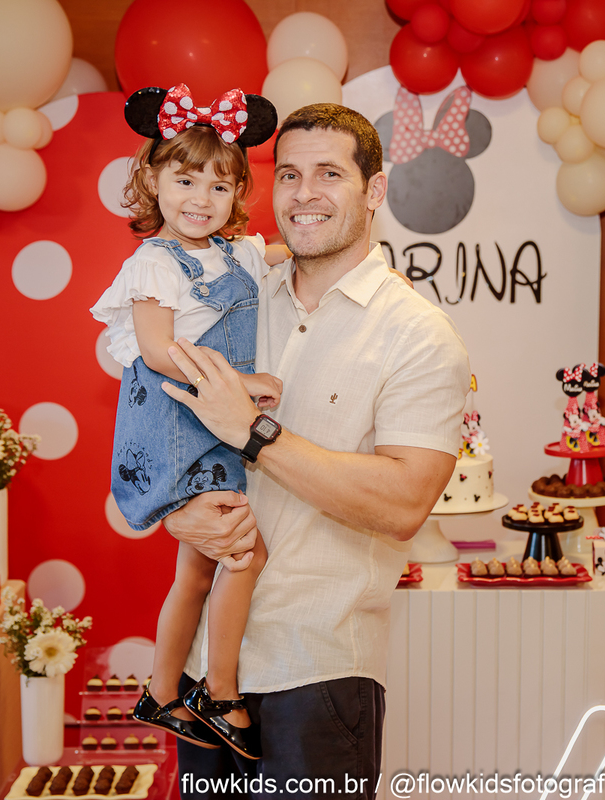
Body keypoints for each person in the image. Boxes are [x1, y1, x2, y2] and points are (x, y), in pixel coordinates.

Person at [159, 104, 471, 797]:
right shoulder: (235, 297)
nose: (304, 194)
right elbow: (164, 422)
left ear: (375, 190)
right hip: (205, 672)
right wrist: (176, 512)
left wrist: (255, 431)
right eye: (289, 174)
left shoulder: (418, 335)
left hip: (318, 675)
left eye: (329, 174)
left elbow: (404, 503)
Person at [89, 84, 287, 760]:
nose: (202, 199)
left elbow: (280, 253)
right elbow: (155, 351)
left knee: (199, 574)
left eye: (220, 186)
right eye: (185, 180)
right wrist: (241, 382)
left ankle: (161, 690)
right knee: (244, 553)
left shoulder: (235, 253)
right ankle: (220, 692)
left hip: (216, 431)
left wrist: (337, 253)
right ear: (152, 179)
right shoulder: (154, 262)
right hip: (180, 428)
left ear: (237, 194)